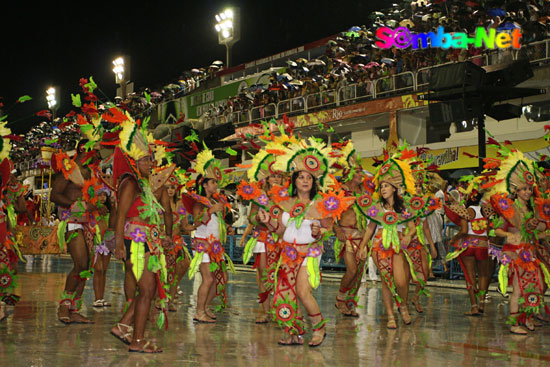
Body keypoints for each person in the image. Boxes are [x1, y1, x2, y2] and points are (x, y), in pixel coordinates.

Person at [259, 137, 351, 347]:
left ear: (314, 181)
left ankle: (319, 328)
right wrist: (267, 223)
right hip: (288, 252)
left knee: (302, 291)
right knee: (286, 293)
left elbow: (323, 232)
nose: (305, 180)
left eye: (309, 177)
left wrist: (318, 232)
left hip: (309, 252)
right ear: (294, 180)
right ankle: (294, 332)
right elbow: (281, 230)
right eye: (301, 177)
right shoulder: (284, 202)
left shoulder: (320, 204)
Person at [110, 114, 168, 353]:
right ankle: (137, 340)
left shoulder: (142, 184)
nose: (151, 164)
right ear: (134, 162)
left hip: (145, 242)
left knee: (149, 290)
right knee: (146, 291)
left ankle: (124, 326)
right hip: (135, 242)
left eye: (151, 160)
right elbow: (121, 215)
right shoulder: (130, 183)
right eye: (145, 160)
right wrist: (119, 245)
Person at [359, 149, 429, 329]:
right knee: (387, 282)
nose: (383, 189)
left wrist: (407, 236)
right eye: (381, 186)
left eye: (386, 186)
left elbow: (413, 228)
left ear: (395, 188)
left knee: (401, 280)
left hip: (399, 245)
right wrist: (362, 246)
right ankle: (391, 315)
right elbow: (370, 228)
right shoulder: (376, 208)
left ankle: (403, 305)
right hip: (379, 246)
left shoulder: (404, 206)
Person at [484, 147, 550, 334]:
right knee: (519, 289)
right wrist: (507, 235)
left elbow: (540, 228)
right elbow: (495, 229)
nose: (528, 192)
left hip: (529, 251)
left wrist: (540, 229)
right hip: (514, 251)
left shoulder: (532, 210)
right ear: (516, 190)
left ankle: (527, 317)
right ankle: (514, 324)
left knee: (536, 284)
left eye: (529, 189)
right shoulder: (508, 208)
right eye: (524, 189)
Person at [51, 140, 104, 324]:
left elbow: (95, 198)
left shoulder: (93, 173)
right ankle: (64, 305)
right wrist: (77, 206)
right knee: (80, 263)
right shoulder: (69, 168)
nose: (99, 155)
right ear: (85, 150)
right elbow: (54, 195)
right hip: (72, 221)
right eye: (96, 151)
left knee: (86, 267)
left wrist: (99, 204)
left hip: (89, 222)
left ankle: (74, 309)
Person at [237, 144, 284, 323]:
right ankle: (265, 311)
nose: (276, 179)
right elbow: (250, 218)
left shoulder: (287, 195)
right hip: (264, 239)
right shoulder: (259, 196)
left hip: (282, 240)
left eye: (279, 175)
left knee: (281, 276)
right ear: (267, 177)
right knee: (265, 275)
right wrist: (259, 218)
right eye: (273, 175)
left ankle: (281, 308)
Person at [187, 147, 234, 323]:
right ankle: (199, 311)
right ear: (205, 184)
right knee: (207, 279)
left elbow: (217, 222)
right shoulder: (198, 202)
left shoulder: (216, 200)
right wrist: (210, 211)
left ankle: (204, 307)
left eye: (216, 182)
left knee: (221, 279)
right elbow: (197, 222)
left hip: (215, 246)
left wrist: (226, 228)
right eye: (213, 182)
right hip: (202, 245)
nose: (216, 185)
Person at [331, 141, 371, 317]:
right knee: (352, 270)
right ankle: (340, 299)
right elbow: (329, 213)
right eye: (358, 171)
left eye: (361, 171)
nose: (361, 174)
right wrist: (336, 230)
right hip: (347, 236)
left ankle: (349, 302)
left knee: (360, 273)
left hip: (362, 237)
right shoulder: (340, 190)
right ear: (349, 173)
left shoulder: (364, 192)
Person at [445, 190, 492, 316]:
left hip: (469, 245)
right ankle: (482, 303)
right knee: (483, 275)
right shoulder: (486, 211)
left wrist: (454, 238)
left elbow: (464, 230)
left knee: (470, 276)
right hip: (483, 245)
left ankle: (474, 306)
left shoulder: (465, 212)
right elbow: (488, 230)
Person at [92, 187, 115, 308]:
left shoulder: (109, 211)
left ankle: (101, 298)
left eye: (104, 195)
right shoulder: (92, 210)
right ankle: (96, 298)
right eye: (99, 195)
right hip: (95, 242)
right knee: (98, 269)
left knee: (104, 271)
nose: (102, 198)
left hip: (106, 243)